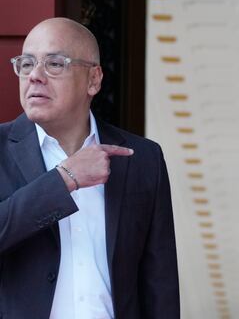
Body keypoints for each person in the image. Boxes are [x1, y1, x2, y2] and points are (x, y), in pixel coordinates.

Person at [0, 18, 179, 317]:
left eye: (54, 64)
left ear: (94, 79)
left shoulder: (142, 159)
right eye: (27, 64)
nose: (35, 76)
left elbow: (159, 281)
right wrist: (63, 180)